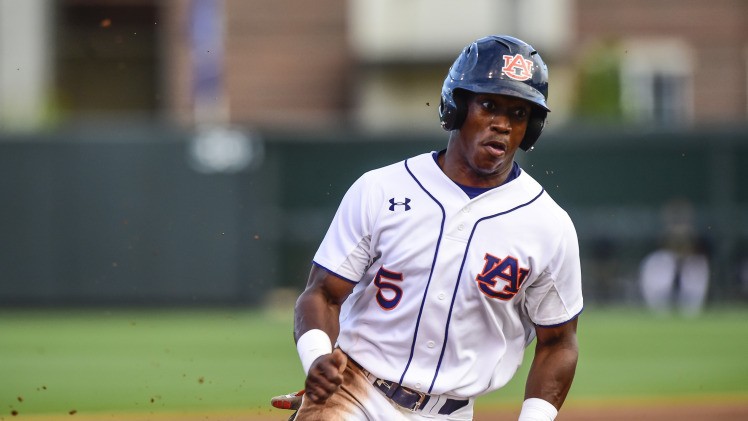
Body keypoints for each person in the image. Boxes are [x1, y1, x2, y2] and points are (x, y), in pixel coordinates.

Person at [285, 35, 583, 421]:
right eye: (489, 104)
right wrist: (317, 358)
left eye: (519, 114)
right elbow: (322, 294)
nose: (502, 124)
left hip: (451, 412)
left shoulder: (549, 225)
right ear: (456, 108)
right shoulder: (381, 189)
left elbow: (558, 342)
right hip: (354, 391)